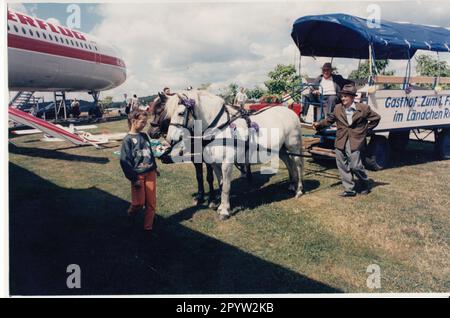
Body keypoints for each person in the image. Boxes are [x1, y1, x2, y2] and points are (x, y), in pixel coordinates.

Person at [313, 83, 380, 197]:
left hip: (355, 140)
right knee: (342, 165)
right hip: (341, 139)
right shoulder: (338, 108)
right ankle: (349, 189)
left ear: (353, 97)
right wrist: (318, 125)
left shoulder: (363, 108)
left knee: (355, 165)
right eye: (342, 96)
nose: (343, 98)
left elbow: (376, 118)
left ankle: (365, 184)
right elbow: (329, 120)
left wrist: (365, 130)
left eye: (346, 96)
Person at [120, 110, 158, 232]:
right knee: (139, 203)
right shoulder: (127, 140)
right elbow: (124, 161)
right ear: (133, 121)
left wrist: (155, 168)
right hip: (138, 175)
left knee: (151, 203)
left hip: (150, 172)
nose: (144, 125)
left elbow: (150, 153)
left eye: (145, 122)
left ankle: (148, 228)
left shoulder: (144, 135)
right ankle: (130, 214)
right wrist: (134, 178)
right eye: (142, 122)